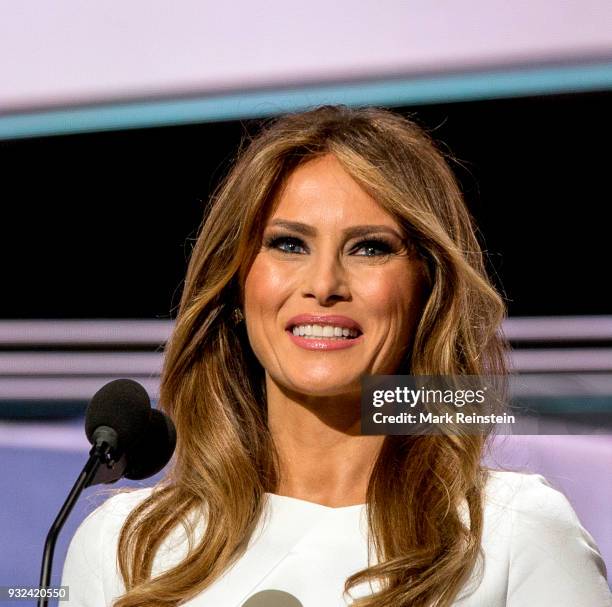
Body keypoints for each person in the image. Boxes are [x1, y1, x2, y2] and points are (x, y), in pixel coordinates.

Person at [61, 105, 612, 606]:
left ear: (429, 291)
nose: (324, 284)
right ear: (234, 287)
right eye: (288, 244)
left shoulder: (513, 532)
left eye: (369, 247)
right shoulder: (124, 546)